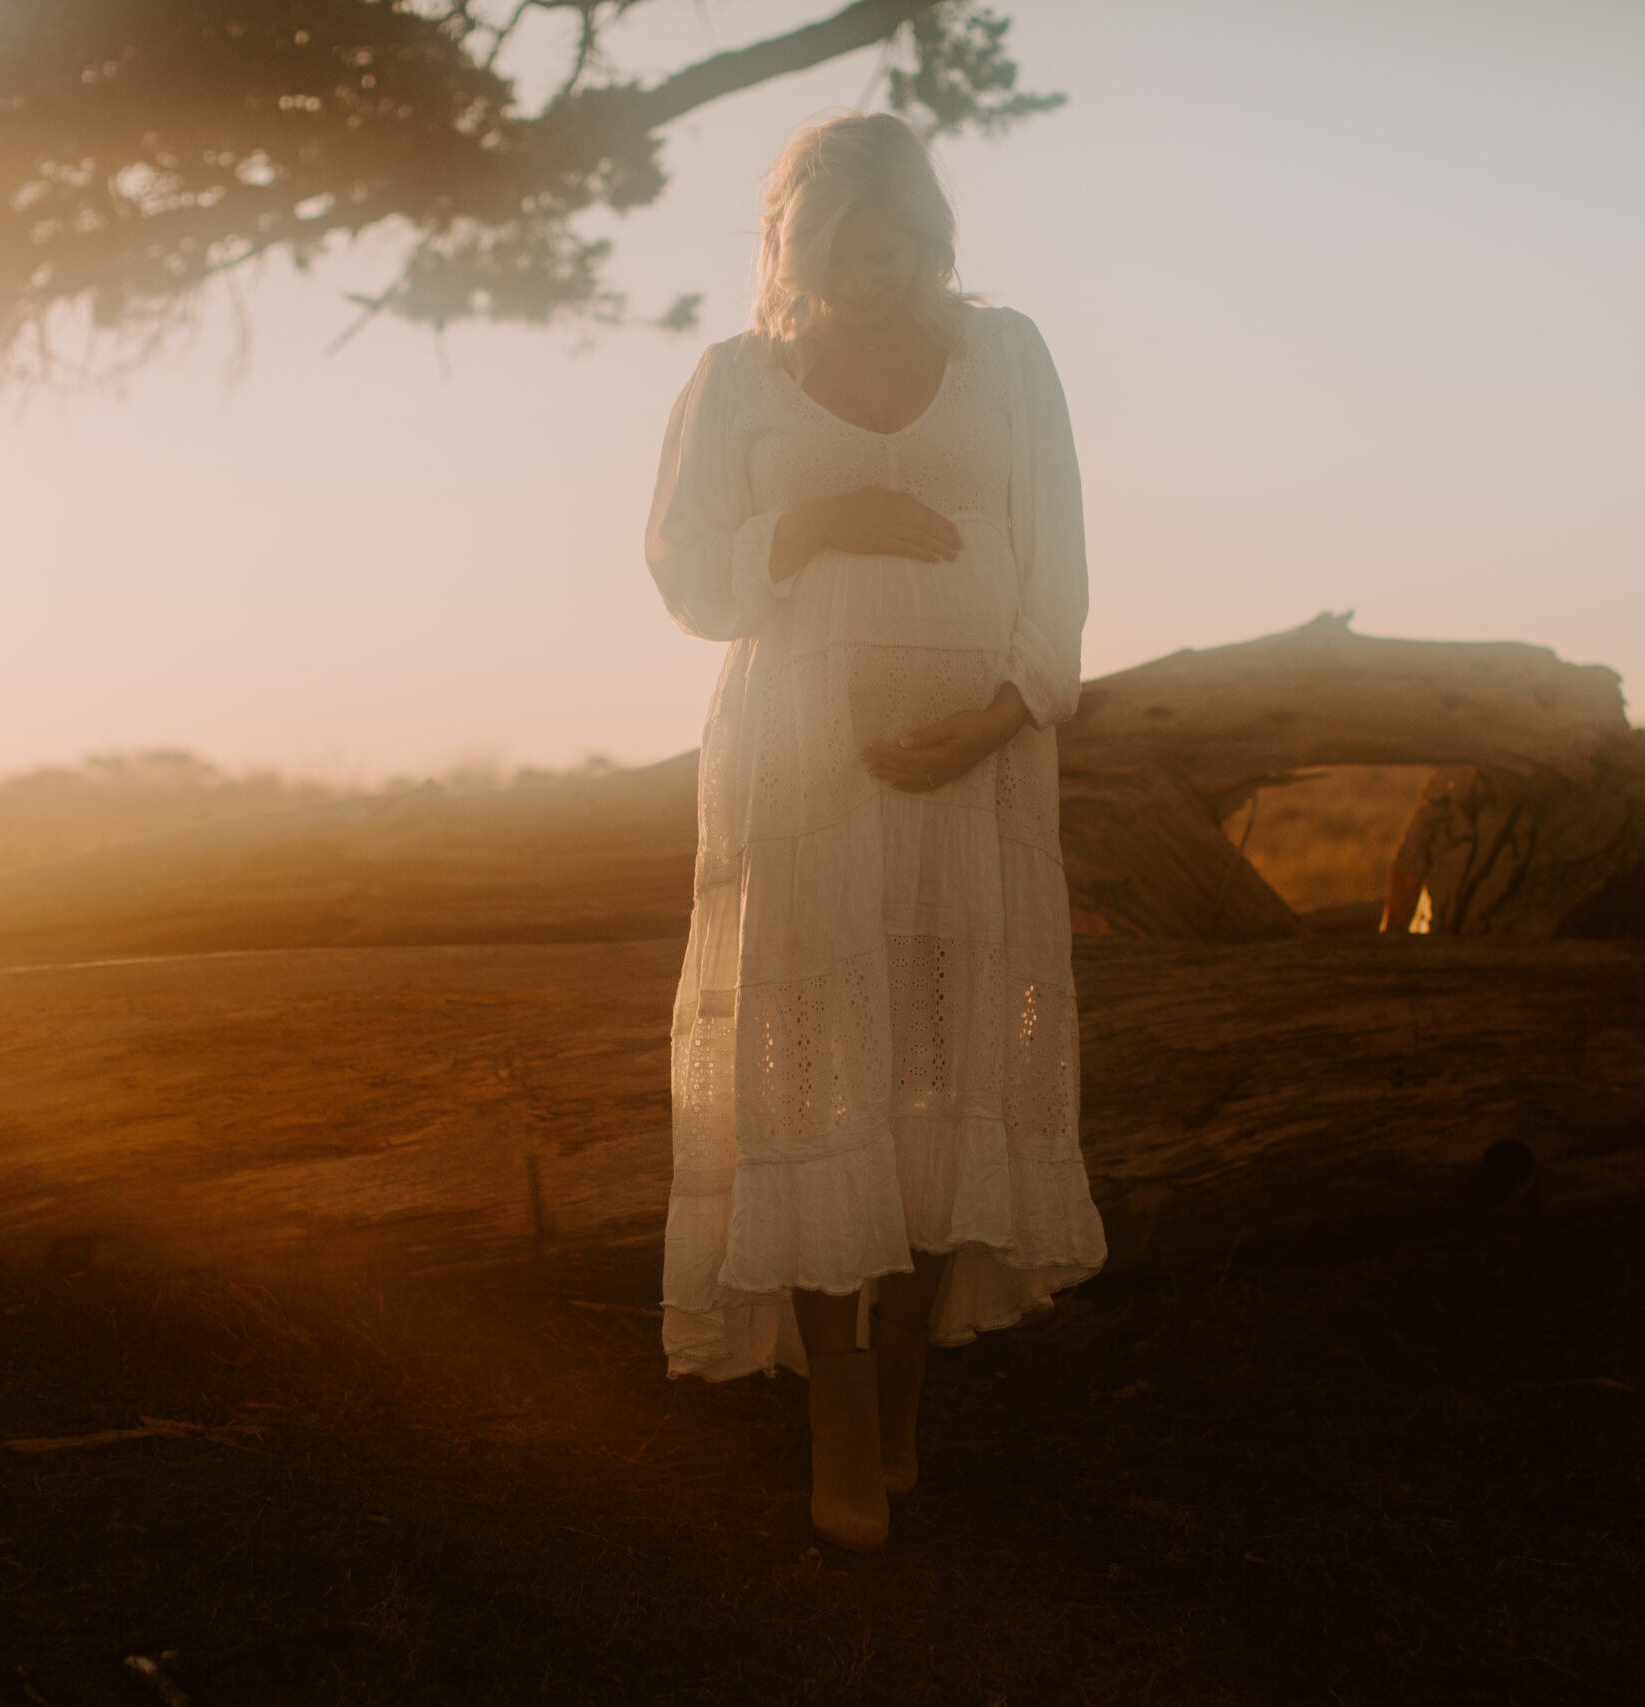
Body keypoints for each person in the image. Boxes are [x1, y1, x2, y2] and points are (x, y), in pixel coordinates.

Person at [644, 111, 1108, 1553]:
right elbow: (688, 577)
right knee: (811, 1082)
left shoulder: (1010, 357)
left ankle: (901, 1395)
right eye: (841, 239)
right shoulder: (737, 382)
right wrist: (815, 519)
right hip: (804, 780)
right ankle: (838, 1411)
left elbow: (1061, 565)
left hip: (977, 778)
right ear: (793, 245)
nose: (871, 263)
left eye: (895, 237)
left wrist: (1001, 713)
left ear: (931, 236)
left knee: (938, 1074)